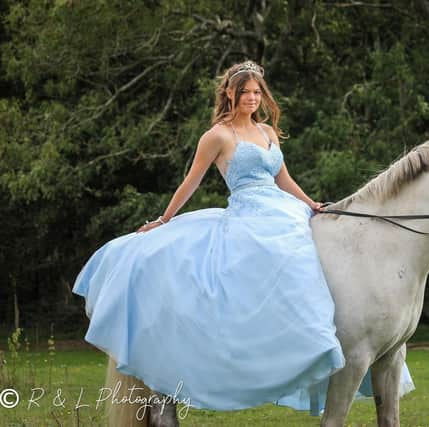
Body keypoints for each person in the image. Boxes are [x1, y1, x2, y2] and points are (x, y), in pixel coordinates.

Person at [72, 60, 347, 412]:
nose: (252, 98)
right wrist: (164, 218)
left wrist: (311, 203)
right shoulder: (217, 136)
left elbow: (283, 179)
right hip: (248, 212)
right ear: (230, 93)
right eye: (245, 92)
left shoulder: (267, 133)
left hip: (282, 208)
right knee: (272, 259)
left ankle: (305, 342)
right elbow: (192, 181)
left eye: (257, 92)